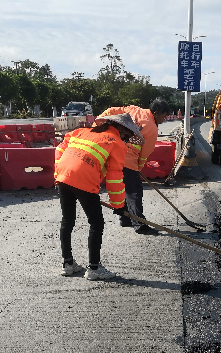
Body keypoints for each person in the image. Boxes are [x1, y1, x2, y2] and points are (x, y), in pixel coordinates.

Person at [54, 113, 145, 280]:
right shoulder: (116, 143)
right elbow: (115, 177)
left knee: (67, 221)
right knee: (96, 223)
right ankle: (94, 268)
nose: (127, 140)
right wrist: (119, 206)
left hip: (63, 176)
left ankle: (67, 264)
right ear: (122, 131)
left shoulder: (82, 132)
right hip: (85, 180)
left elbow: (59, 149)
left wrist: (58, 173)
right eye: (128, 136)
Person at [95, 97, 171, 234]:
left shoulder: (133, 109)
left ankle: (125, 219)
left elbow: (112, 110)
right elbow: (144, 154)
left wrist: (98, 124)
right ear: (155, 112)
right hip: (128, 160)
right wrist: (137, 168)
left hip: (112, 156)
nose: (163, 120)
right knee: (134, 192)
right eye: (163, 117)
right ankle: (139, 225)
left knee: (122, 188)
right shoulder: (152, 129)